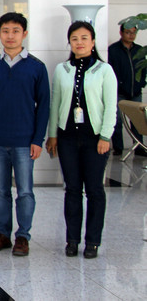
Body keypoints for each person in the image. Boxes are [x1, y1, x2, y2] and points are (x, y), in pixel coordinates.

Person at [0, 12, 49, 257]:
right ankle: (2, 234)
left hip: (24, 142)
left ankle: (23, 236)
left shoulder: (36, 67)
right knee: (0, 191)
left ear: (24, 34)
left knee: (25, 191)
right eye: (5, 31)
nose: (10, 36)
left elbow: (44, 106)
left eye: (15, 31)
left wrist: (37, 140)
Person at [45, 21, 117, 259]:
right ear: (70, 42)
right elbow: (55, 103)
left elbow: (111, 107)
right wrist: (52, 135)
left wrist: (105, 136)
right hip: (67, 139)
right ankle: (72, 240)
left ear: (93, 42)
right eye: (74, 38)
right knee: (72, 189)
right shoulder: (62, 69)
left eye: (84, 38)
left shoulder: (104, 70)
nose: (79, 42)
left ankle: (93, 241)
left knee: (94, 190)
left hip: (95, 140)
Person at [108, 22, 145, 155]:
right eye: (128, 32)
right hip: (119, 92)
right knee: (117, 121)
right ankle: (118, 148)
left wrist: (142, 83)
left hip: (136, 92)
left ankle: (139, 147)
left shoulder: (140, 50)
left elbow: (143, 69)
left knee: (137, 121)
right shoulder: (113, 50)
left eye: (134, 33)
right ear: (121, 33)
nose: (131, 35)